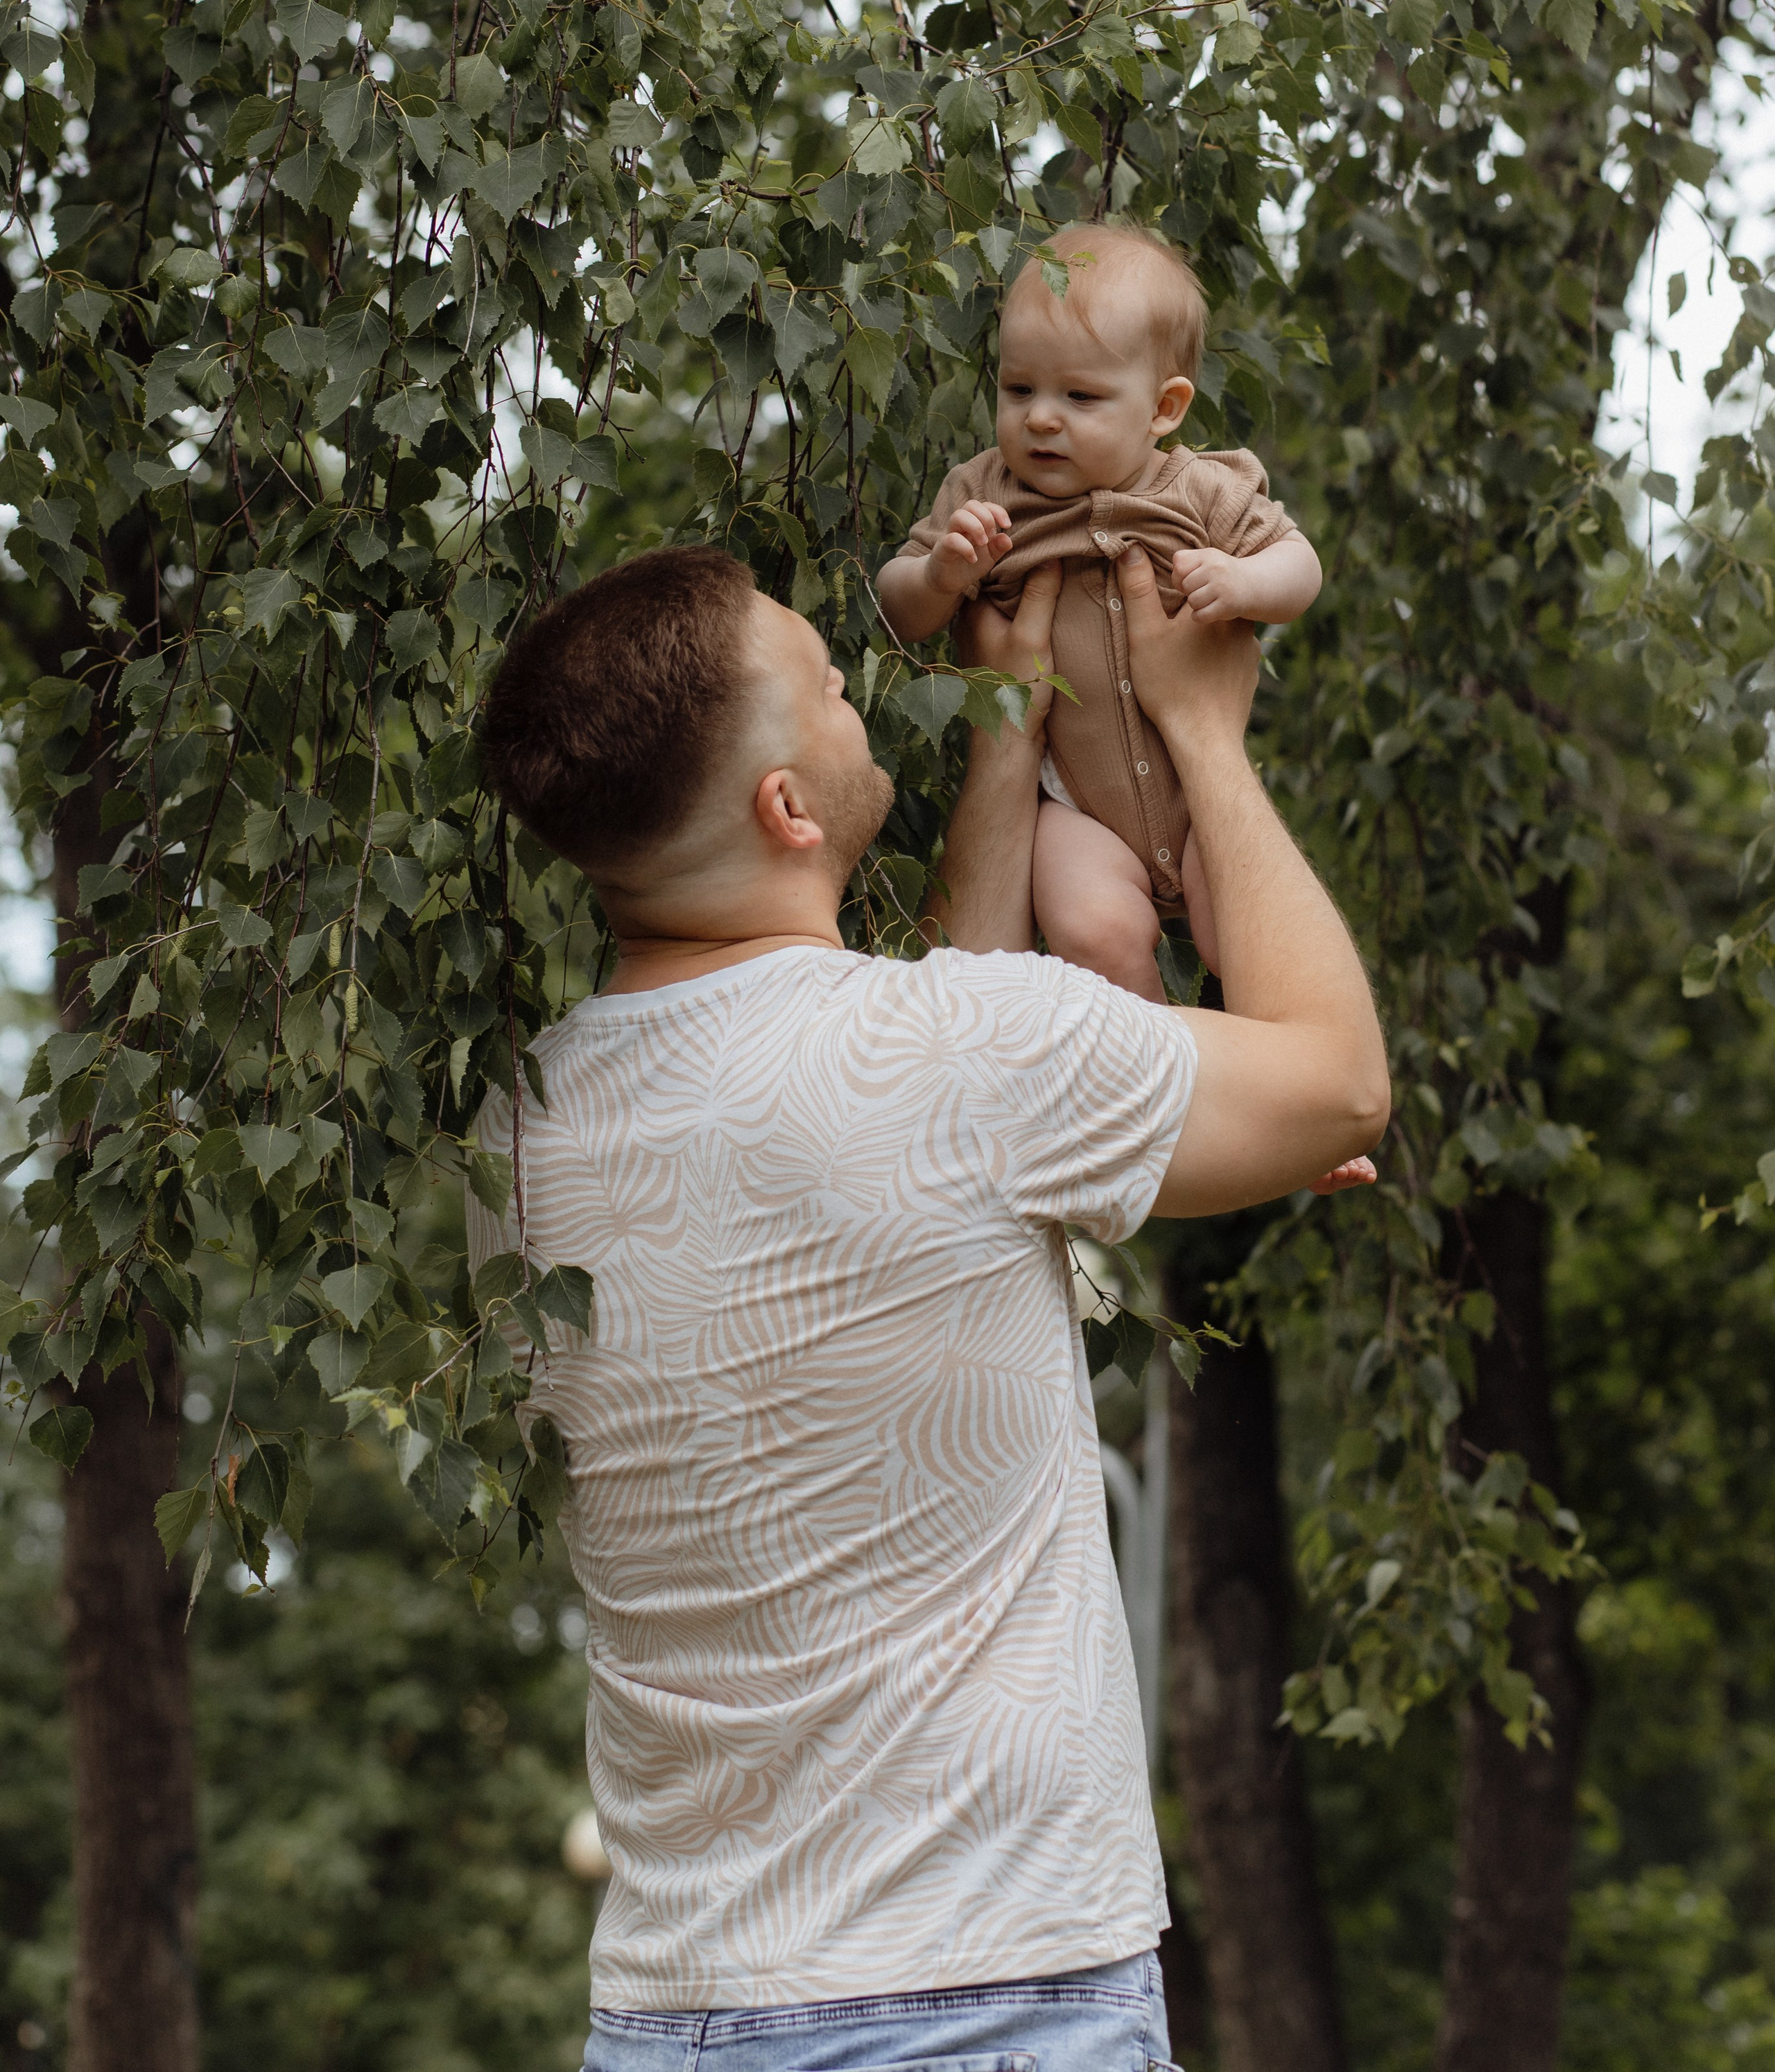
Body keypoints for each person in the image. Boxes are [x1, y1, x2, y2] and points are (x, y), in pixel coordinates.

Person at [473, 537, 1388, 2071]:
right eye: (829, 687)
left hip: (679, 2017)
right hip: (994, 2004)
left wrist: (1006, 736)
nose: (853, 691)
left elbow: (886, 1108)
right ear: (786, 806)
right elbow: (1339, 1081)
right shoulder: (971, 1070)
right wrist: (1205, 736)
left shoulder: (517, 1138)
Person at [877, 219, 1323, 993]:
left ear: (1164, 408)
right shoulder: (984, 494)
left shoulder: (1200, 489)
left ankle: (1241, 1069)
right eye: (1018, 389)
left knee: (1244, 935)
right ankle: (1155, 1075)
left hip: (1195, 793)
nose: (1041, 417)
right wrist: (942, 573)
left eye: (1080, 396)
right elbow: (898, 607)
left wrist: (1247, 583)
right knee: (1092, 932)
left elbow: (1300, 563)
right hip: (1073, 806)